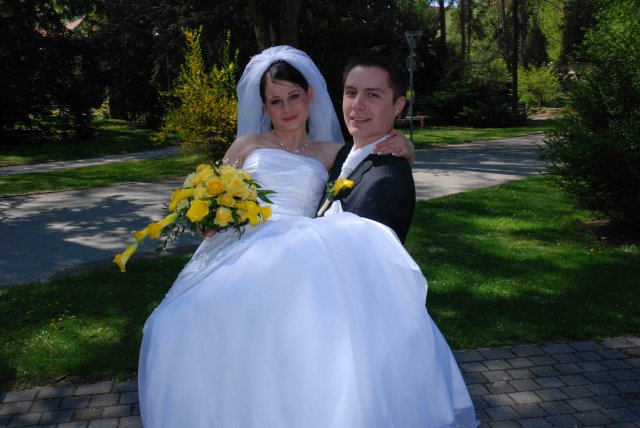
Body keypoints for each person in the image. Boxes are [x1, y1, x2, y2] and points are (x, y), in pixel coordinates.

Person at [138, 45, 477, 428]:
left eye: (294, 96)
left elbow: (369, 155)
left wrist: (407, 147)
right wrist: (207, 218)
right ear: (264, 107)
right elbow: (211, 195)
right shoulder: (246, 146)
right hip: (237, 247)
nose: (287, 109)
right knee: (179, 325)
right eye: (276, 101)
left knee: (274, 340)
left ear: (310, 95)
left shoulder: (331, 152)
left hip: (296, 254)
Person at [317, 55, 415, 243]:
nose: (357, 104)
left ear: (398, 105)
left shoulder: (386, 182)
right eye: (351, 92)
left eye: (372, 95)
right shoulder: (345, 155)